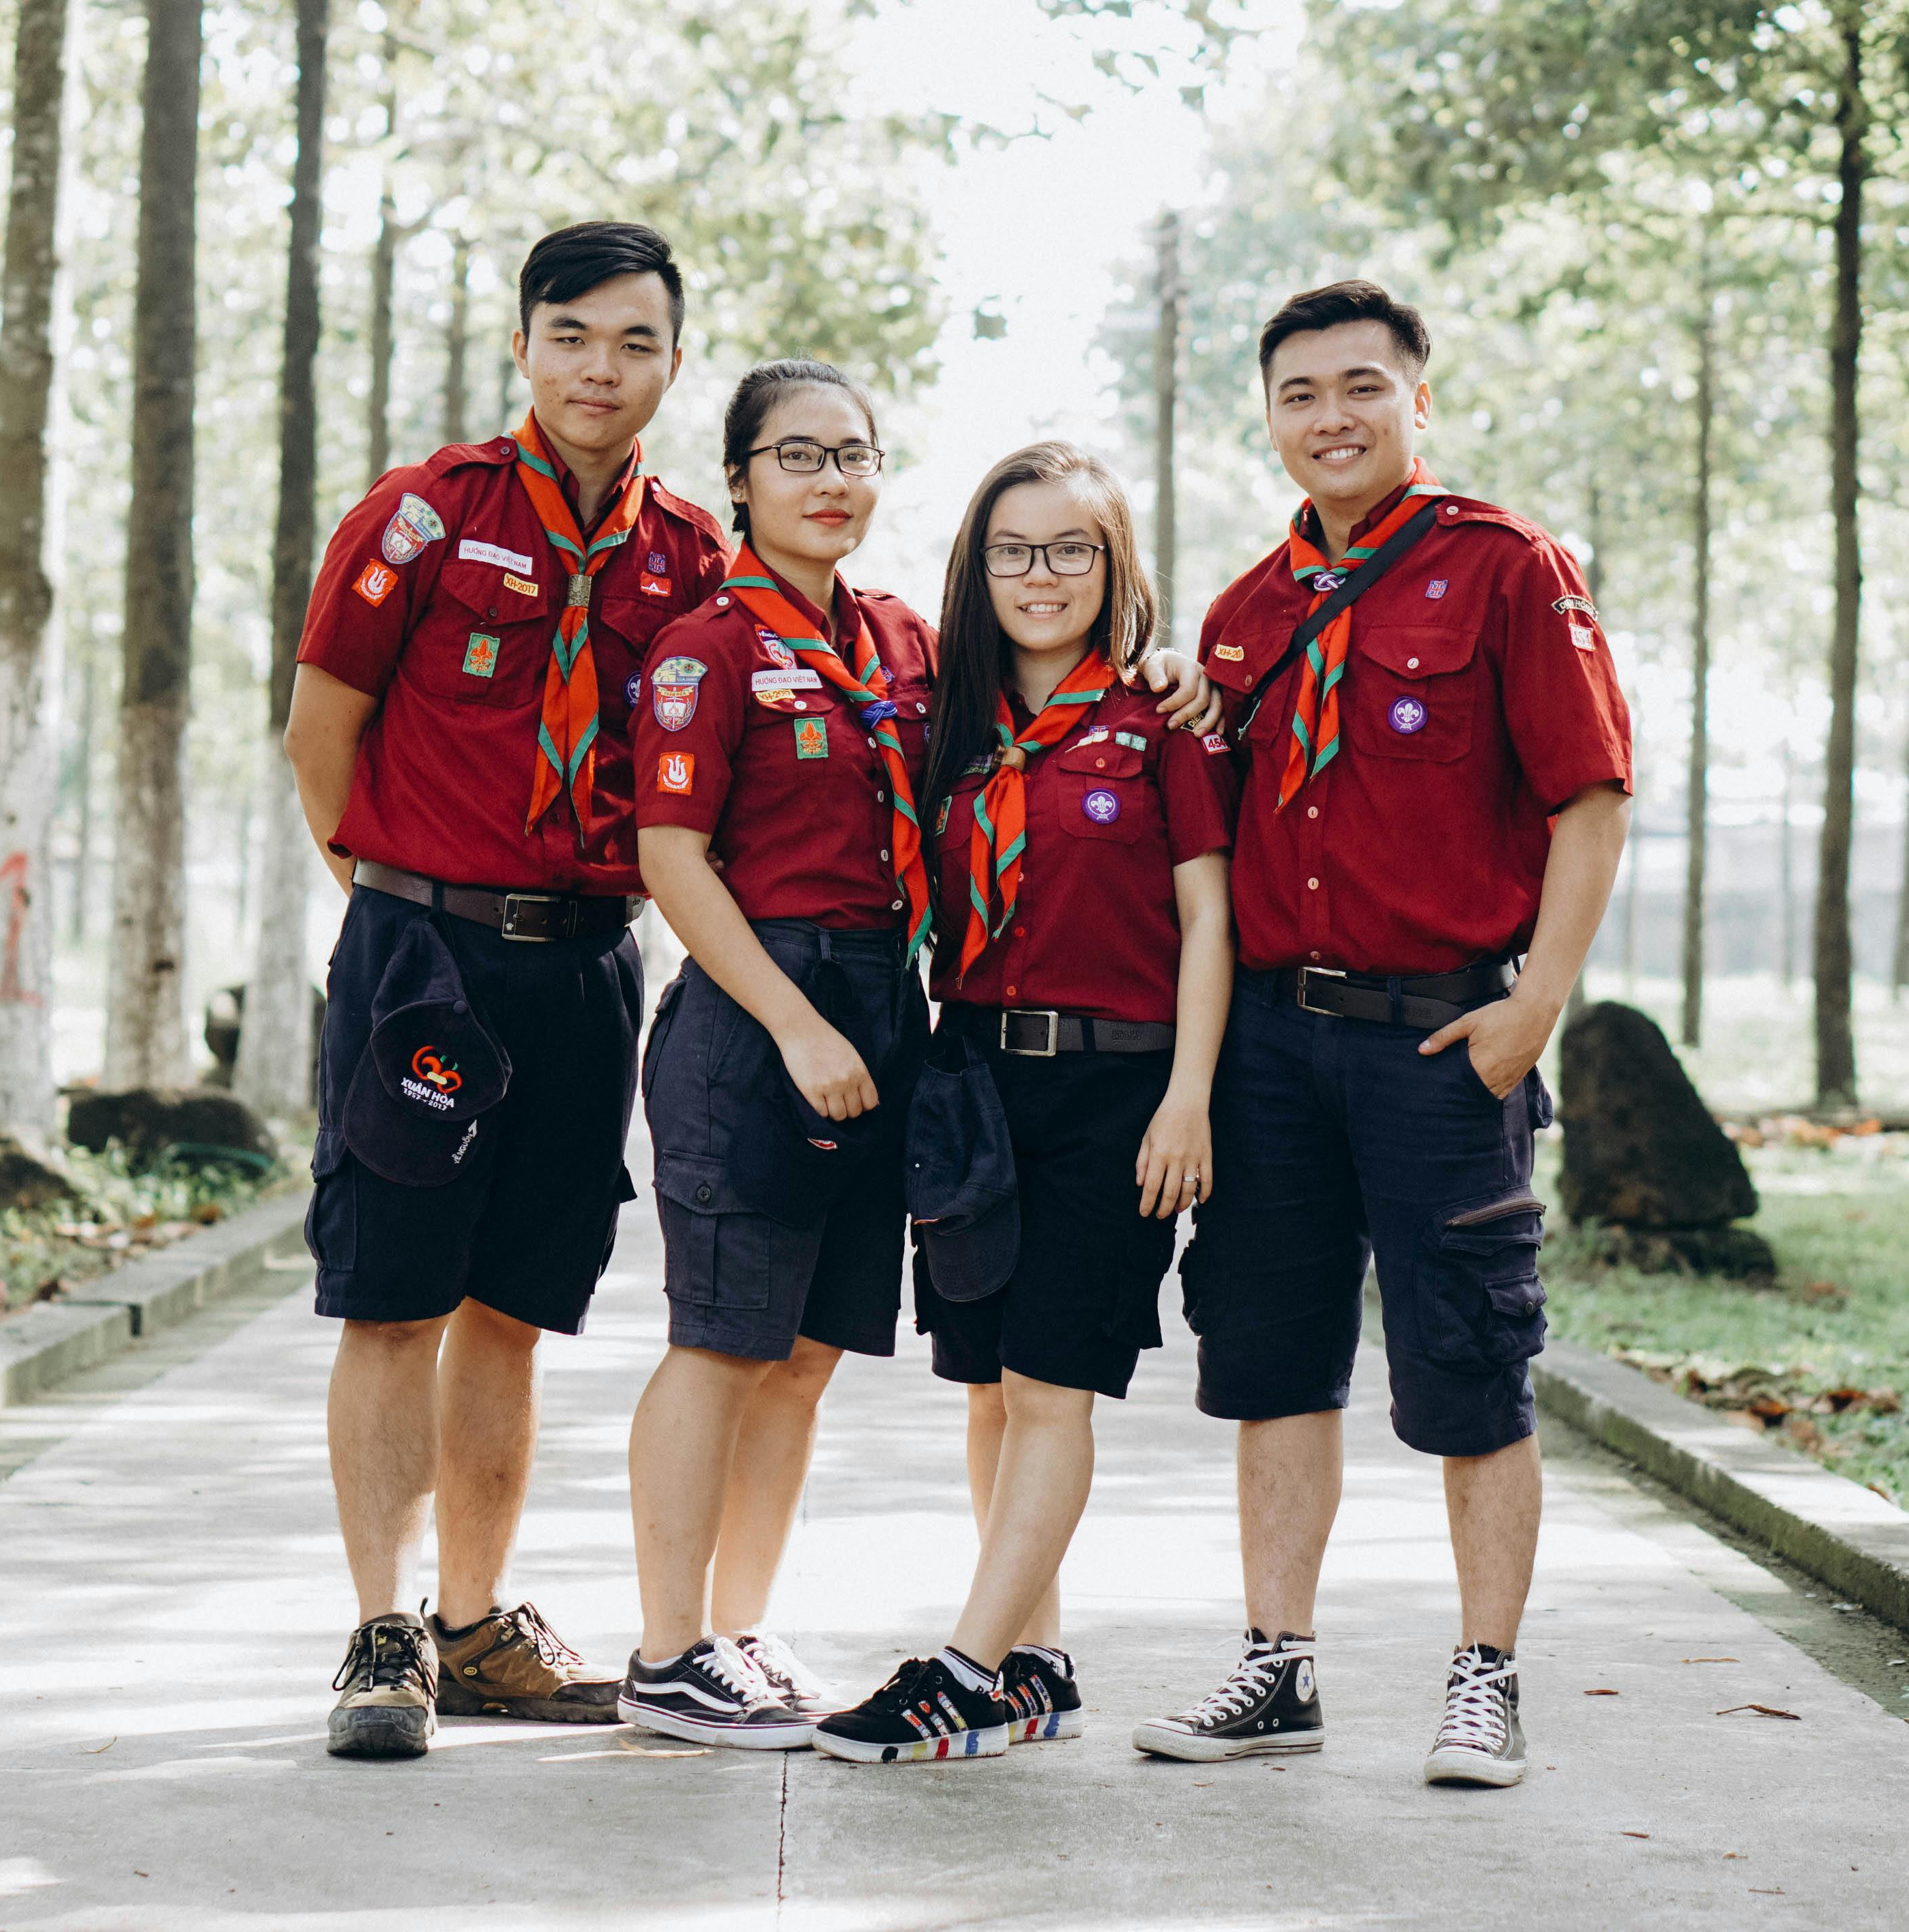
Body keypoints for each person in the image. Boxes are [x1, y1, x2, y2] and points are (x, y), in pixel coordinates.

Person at [1136, 280, 1631, 1788]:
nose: (1329, 417)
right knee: (1272, 1358)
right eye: (1298, 394)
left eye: (1360, 387)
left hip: (1436, 1042)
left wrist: (1529, 1007)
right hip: (1274, 1050)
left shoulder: (1502, 570)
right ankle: (1274, 1669)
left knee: (1470, 1359)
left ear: (1420, 399)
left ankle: (1484, 1678)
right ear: (1269, 416)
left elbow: (1589, 799)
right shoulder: (1239, 615)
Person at [285, 222, 735, 1761]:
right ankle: (381, 1632)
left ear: (674, 363)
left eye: (632, 343)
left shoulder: (692, 556)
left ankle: (473, 1625)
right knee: (393, 1296)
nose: (598, 370)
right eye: (571, 337)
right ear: (523, 348)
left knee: (514, 1309)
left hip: (589, 960)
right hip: (424, 949)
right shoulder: (420, 518)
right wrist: (396, 922)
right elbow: (317, 737)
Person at [811, 443, 1238, 1766]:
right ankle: (1030, 1667)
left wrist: (1187, 1101)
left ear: (1113, 568)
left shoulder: (1159, 719)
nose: (1039, 575)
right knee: (990, 1391)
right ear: (974, 567)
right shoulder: (948, 721)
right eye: (1013, 549)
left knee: (1052, 1387)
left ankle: (962, 1668)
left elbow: (1207, 918)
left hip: (1116, 1089)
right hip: (974, 1079)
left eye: (1070, 549)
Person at [613, 358, 939, 1748]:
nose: (830, 481)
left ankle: (740, 1632)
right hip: (760, 1016)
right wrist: (793, 1024)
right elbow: (670, 859)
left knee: (804, 1356)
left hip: (882, 1005)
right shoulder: (707, 648)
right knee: (719, 1341)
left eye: (854, 456)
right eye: (798, 457)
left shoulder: (903, 643)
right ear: (738, 477)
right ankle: (666, 1647)